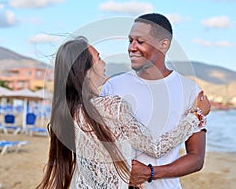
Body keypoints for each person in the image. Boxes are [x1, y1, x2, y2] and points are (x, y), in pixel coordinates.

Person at [37, 37, 210, 189]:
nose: (104, 63)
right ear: (86, 71)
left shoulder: (70, 114)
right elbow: (156, 148)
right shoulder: (111, 106)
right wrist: (196, 116)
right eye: (99, 58)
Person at [101, 13, 210, 188]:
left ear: (164, 45)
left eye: (140, 41)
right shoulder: (113, 86)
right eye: (130, 41)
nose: (132, 47)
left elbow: (197, 158)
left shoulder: (189, 91)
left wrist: (150, 173)